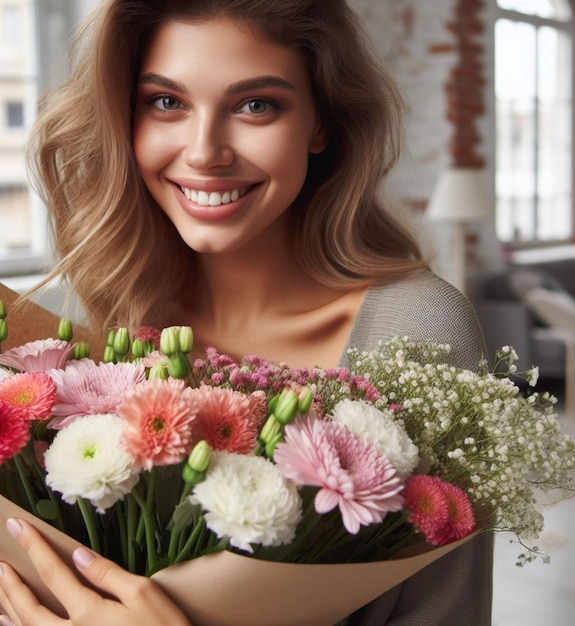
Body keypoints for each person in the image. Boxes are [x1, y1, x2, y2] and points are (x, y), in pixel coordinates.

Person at [0, 0, 493, 624]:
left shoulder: (419, 329)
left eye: (256, 104)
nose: (205, 152)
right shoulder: (91, 317)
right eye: (166, 102)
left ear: (321, 122)